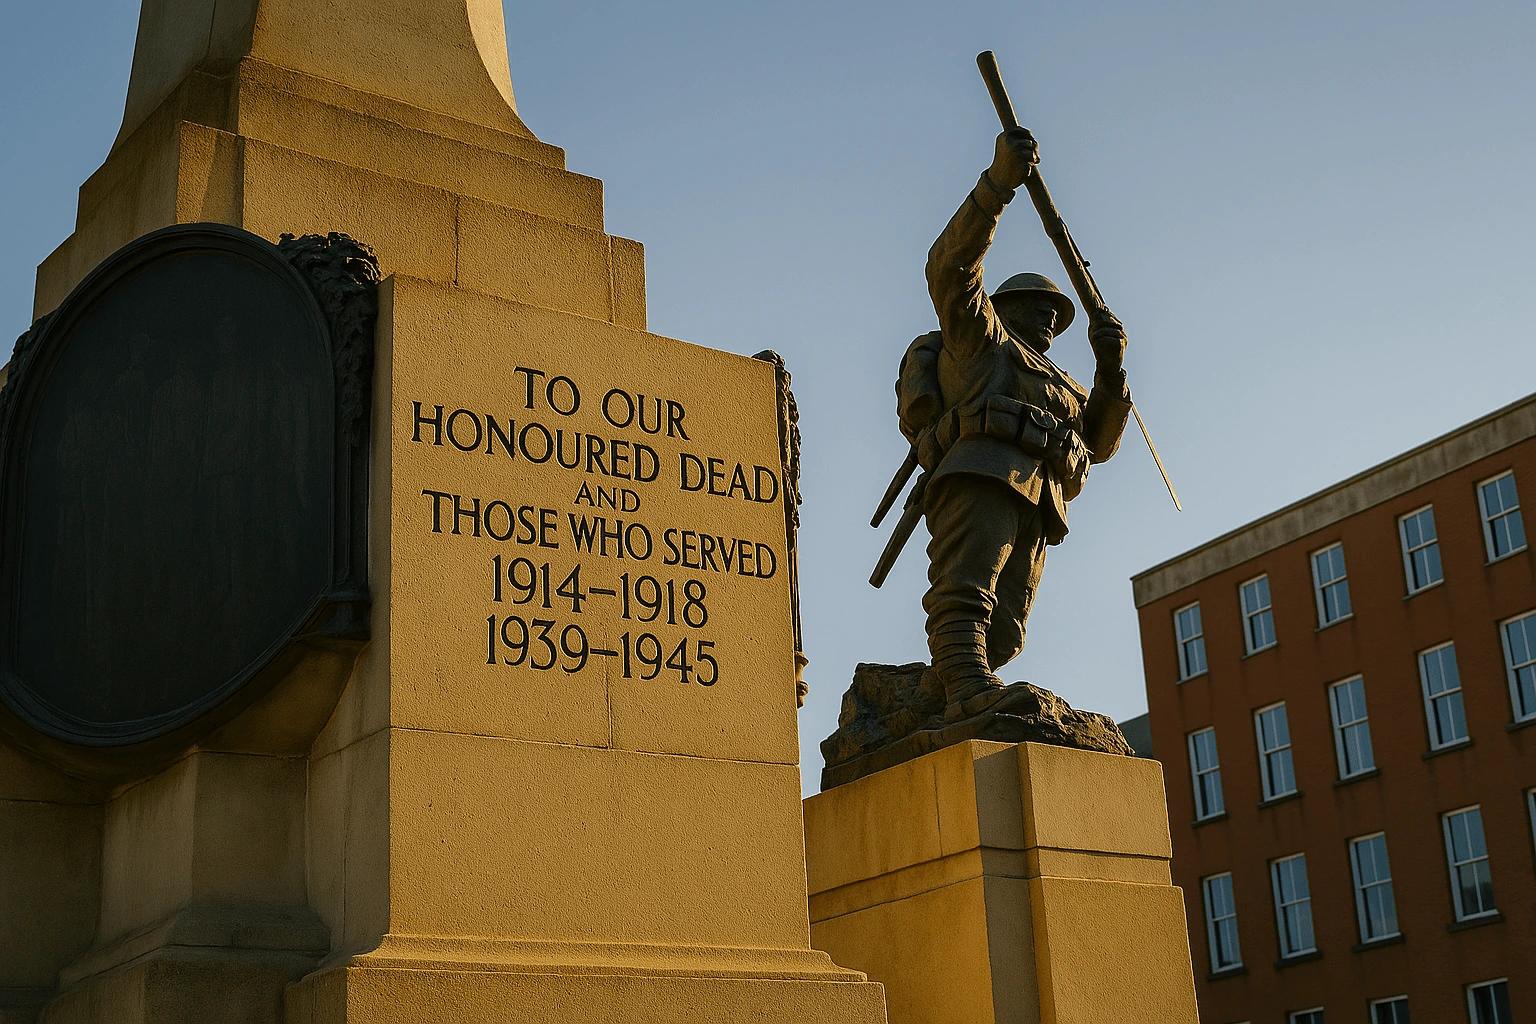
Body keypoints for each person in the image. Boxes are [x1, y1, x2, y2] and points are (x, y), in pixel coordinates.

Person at [909, 126, 1132, 710]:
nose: (1050, 321)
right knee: (965, 594)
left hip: (1041, 495)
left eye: (1057, 315)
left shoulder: (1061, 382)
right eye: (1037, 309)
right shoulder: (981, 342)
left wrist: (1111, 374)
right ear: (1004, 308)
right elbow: (948, 270)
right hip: (983, 468)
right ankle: (965, 688)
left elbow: (1099, 442)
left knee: (1005, 630)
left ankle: (933, 694)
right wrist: (997, 186)